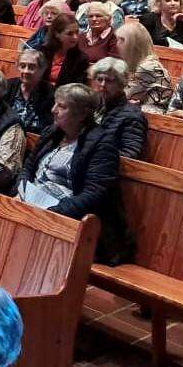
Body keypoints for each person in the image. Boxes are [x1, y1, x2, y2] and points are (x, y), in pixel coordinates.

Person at [17, 83, 130, 264]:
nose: (53, 110)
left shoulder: (102, 144)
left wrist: (55, 212)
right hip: (32, 205)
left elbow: (94, 193)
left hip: (68, 218)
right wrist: (22, 191)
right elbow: (28, 167)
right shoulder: (52, 132)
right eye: (55, 104)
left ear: (82, 114)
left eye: (62, 106)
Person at [88, 57, 147, 158]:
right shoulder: (88, 105)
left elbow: (130, 154)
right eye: (99, 79)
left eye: (109, 81)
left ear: (122, 83)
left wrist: (92, 156)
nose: (103, 84)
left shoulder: (132, 116)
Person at [115, 21, 173, 108]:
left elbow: (122, 96)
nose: (117, 44)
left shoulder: (147, 67)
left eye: (122, 40)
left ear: (134, 45)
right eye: (117, 39)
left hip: (152, 115)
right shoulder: (135, 63)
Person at [3, 48, 54, 133]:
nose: (26, 71)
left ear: (42, 70)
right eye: (22, 66)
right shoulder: (7, 86)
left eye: (31, 67)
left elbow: (49, 125)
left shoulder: (50, 93)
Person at [42, 12, 90, 87]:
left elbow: (77, 87)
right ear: (57, 34)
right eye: (69, 34)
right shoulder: (43, 52)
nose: (75, 37)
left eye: (77, 32)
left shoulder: (81, 59)